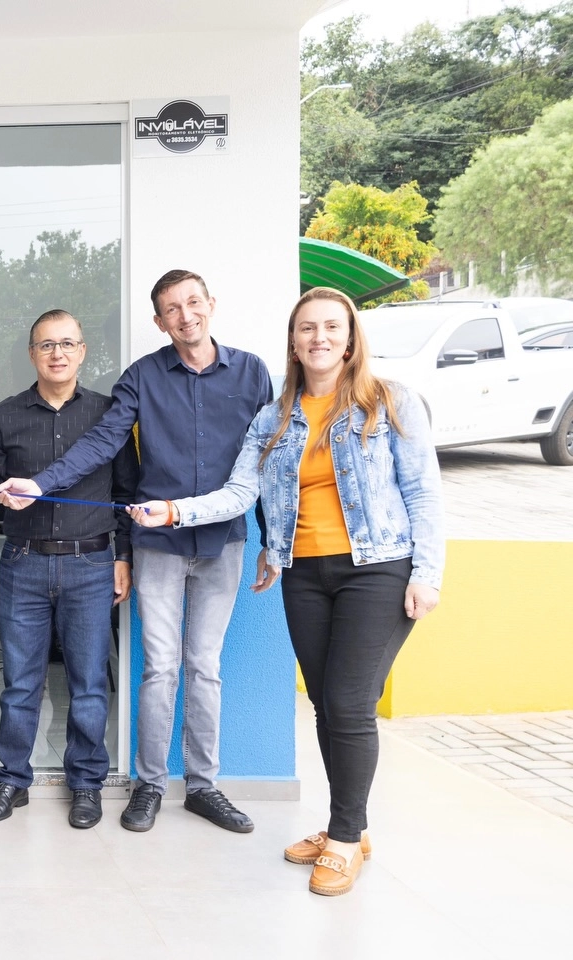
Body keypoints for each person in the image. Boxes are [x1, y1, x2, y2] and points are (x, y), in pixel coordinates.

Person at [129, 287, 443, 896]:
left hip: (377, 568)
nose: (318, 337)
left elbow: (423, 491)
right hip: (305, 574)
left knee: (349, 704)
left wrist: (427, 573)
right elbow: (239, 493)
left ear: (349, 339)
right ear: (293, 343)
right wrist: (174, 511)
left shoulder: (391, 401)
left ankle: (344, 839)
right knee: (327, 703)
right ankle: (349, 827)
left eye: (331, 327)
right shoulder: (273, 418)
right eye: (306, 328)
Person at [0, 270, 272, 835]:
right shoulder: (142, 377)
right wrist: (42, 484)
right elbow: (102, 443)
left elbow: (267, 461)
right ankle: (149, 786)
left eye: (193, 302)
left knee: (206, 667)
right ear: (159, 321)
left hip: (224, 541)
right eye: (172, 309)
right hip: (158, 545)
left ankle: (203, 787)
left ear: (211, 304)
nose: (185, 315)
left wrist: (273, 540)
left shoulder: (252, 373)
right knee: (161, 668)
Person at [0, 309, 137, 829]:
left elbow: (126, 494)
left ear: (83, 351)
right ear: (32, 353)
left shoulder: (107, 414)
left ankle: (87, 784)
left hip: (91, 564)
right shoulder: (6, 415)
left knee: (89, 683)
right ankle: (12, 779)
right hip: (23, 564)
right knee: (20, 683)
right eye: (47, 345)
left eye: (67, 343)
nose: (57, 353)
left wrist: (123, 557)